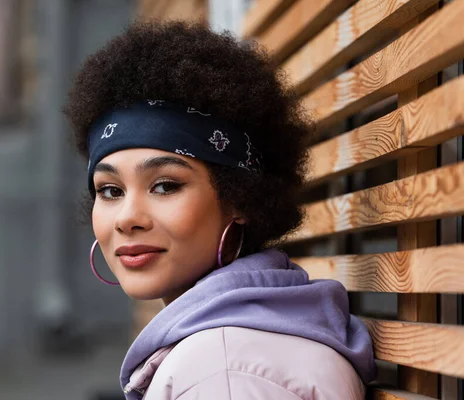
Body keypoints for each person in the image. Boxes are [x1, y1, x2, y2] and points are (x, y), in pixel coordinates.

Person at [64, 21, 375, 400]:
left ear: (239, 197)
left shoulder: (223, 374)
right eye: (110, 190)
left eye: (165, 185)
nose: (128, 217)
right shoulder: (248, 337)